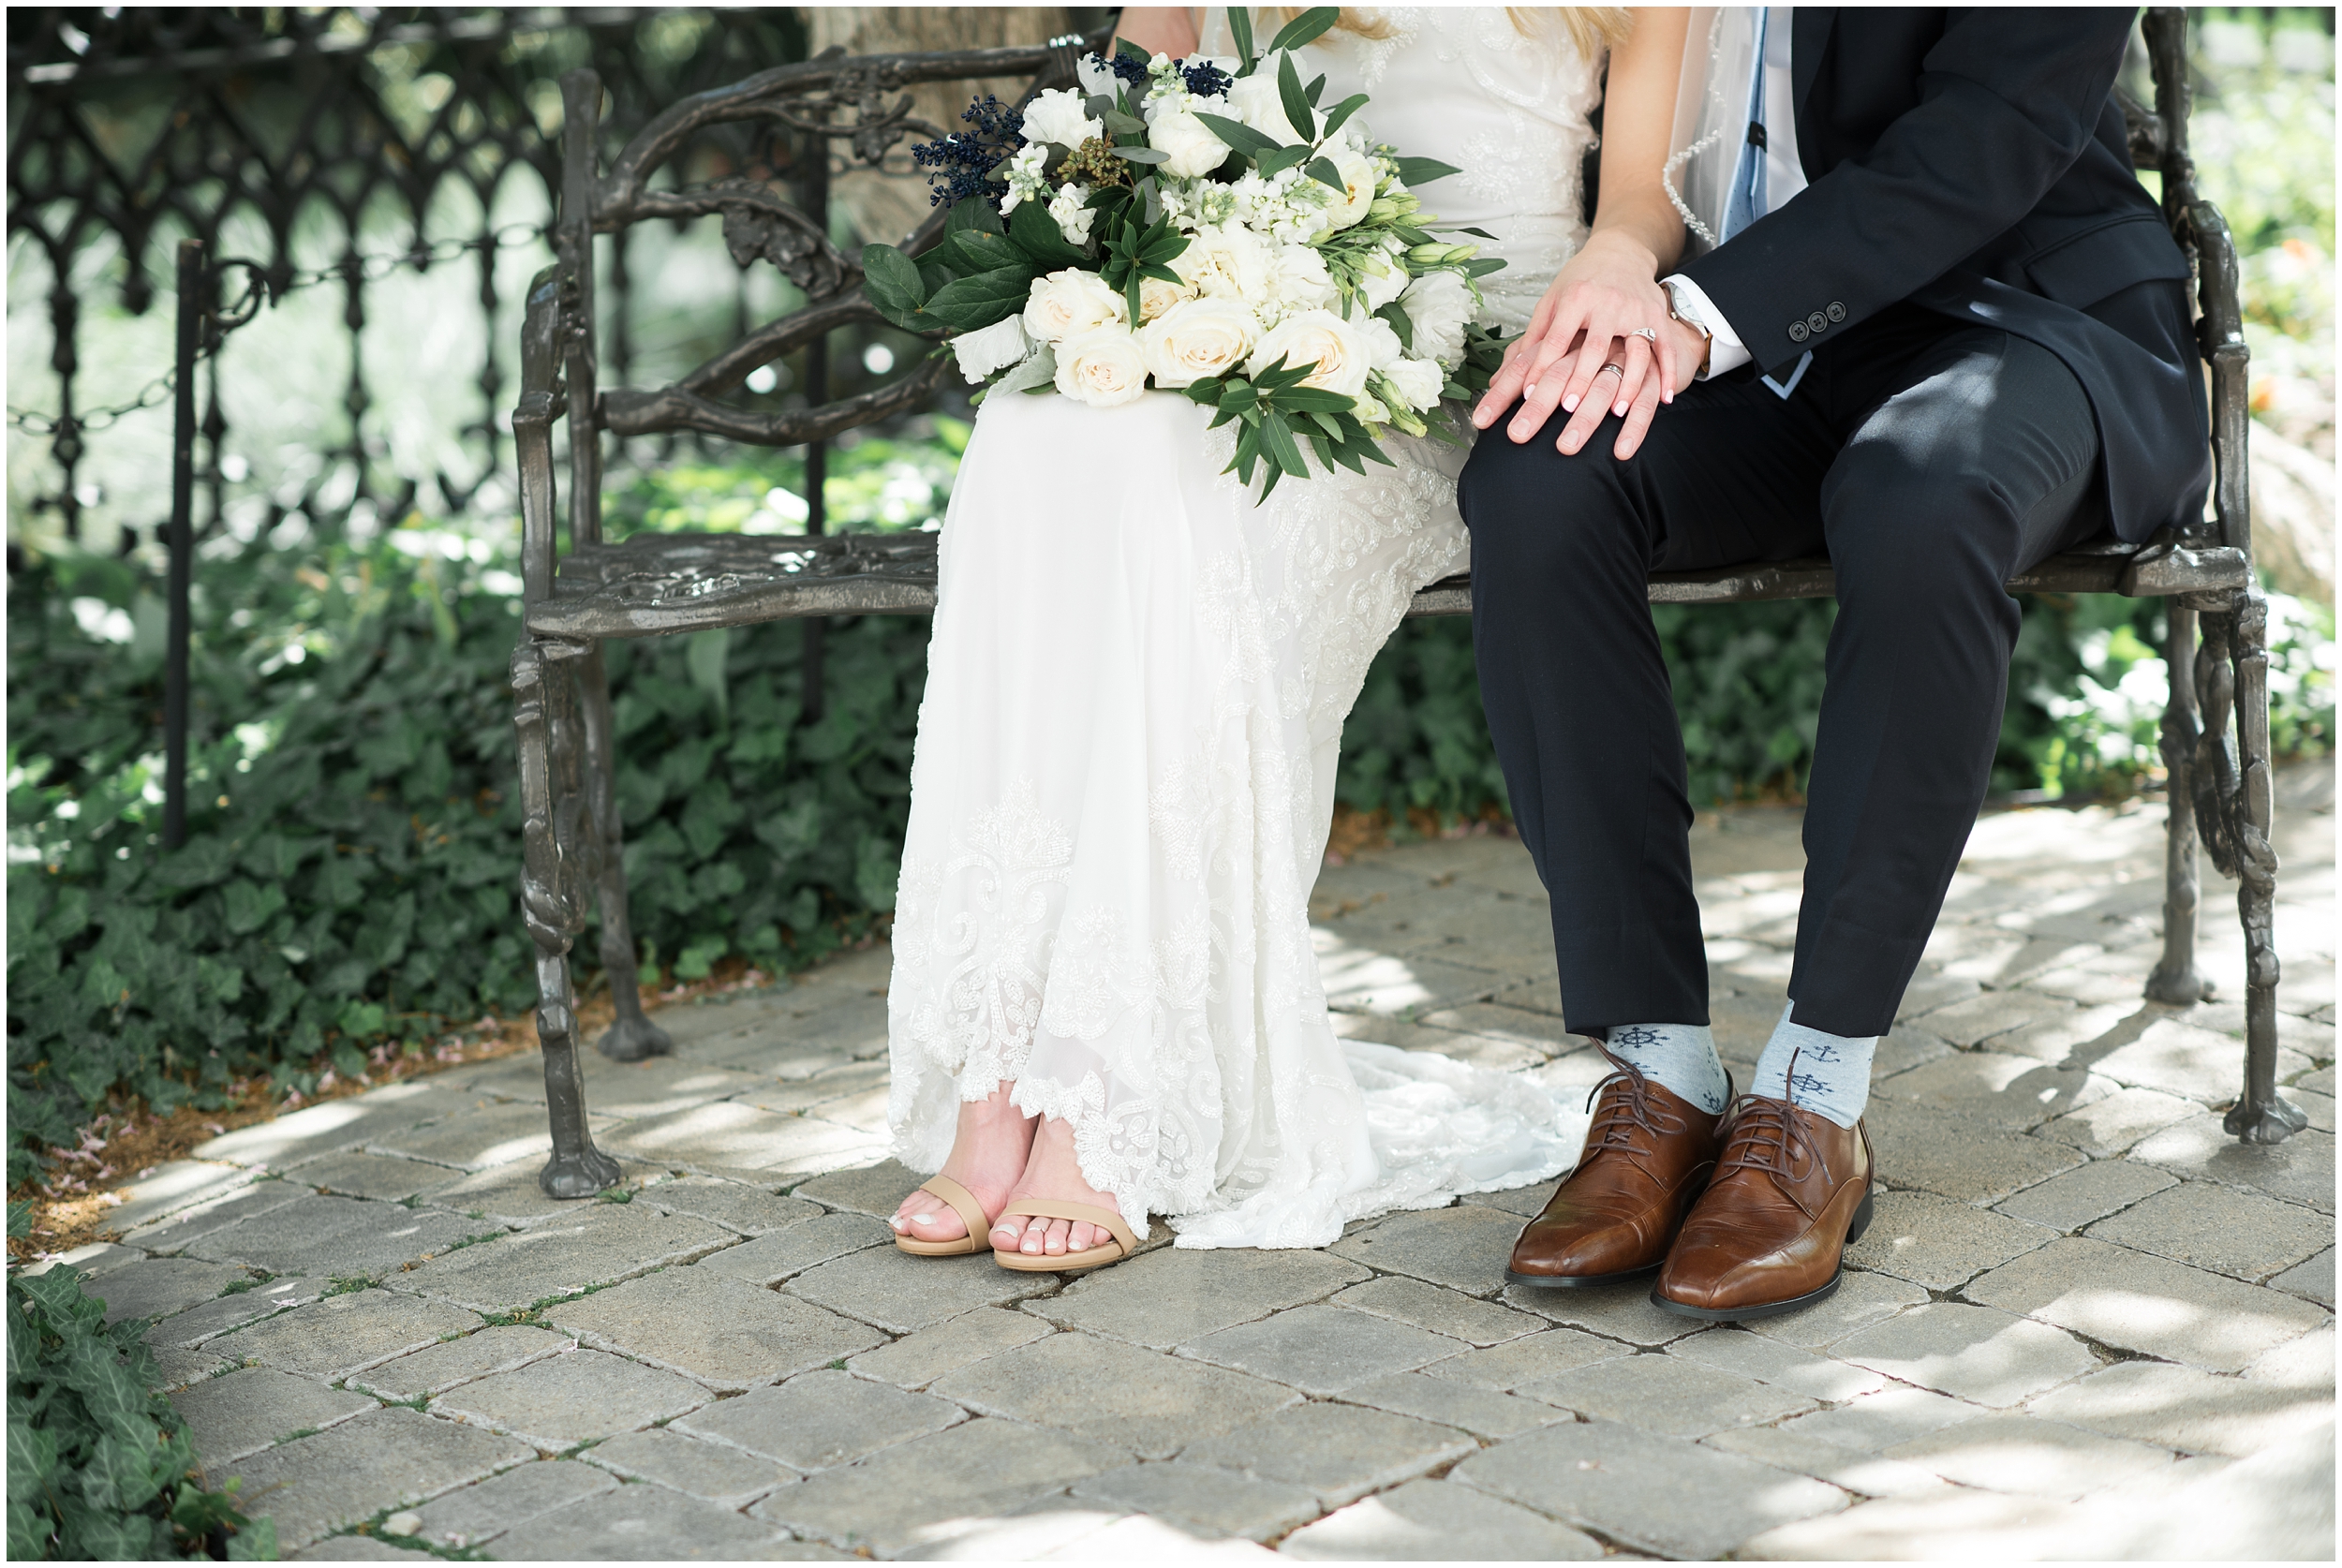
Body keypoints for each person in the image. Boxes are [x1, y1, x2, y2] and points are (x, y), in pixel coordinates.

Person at [883, 6, 1697, 1268]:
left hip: (1454, 361)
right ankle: (999, 1063)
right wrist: (1124, 260)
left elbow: (1643, 203)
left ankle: (1109, 1094)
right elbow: (1125, 128)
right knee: (1032, 435)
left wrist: (1616, 267)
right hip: (1247, 323)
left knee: (1179, 503)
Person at [1465, 7, 2209, 1320]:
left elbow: (1992, 136)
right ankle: (1661, 1073)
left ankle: (1818, 1097)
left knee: (1926, 498)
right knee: (1540, 482)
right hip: (1760, 346)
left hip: (2018, 316)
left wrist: (1702, 313)